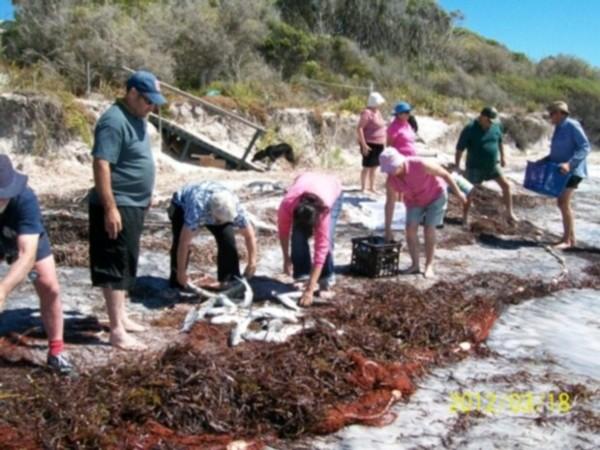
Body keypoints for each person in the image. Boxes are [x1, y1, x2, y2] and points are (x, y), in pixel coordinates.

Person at [88, 70, 166, 350]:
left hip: (134, 203)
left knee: (125, 262)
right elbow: (101, 164)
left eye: (154, 102)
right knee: (113, 264)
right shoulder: (113, 120)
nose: (152, 106)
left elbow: (136, 159)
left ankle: (120, 317)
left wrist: (146, 193)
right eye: (148, 100)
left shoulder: (136, 117)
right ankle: (117, 331)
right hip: (117, 203)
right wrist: (110, 208)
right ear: (132, 93)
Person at [0, 155, 73, 374]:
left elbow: (27, 254)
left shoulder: (25, 199)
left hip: (23, 240)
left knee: (48, 285)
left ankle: (56, 352)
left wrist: (3, 290)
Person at [380, 148, 467, 278]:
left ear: (400, 163)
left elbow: (445, 174)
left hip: (435, 195)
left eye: (393, 168)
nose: (391, 172)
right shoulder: (391, 180)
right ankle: (415, 265)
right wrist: (388, 229)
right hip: (414, 201)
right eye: (389, 170)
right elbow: (390, 204)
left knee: (429, 228)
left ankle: (429, 265)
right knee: (410, 228)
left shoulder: (419, 164)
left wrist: (458, 193)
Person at [168, 181, 257, 290]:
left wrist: (252, 262)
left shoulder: (236, 207)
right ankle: (178, 281)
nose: (218, 224)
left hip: (219, 204)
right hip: (182, 204)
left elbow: (249, 236)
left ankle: (229, 280)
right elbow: (184, 243)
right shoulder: (196, 209)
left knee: (227, 239)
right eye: (218, 221)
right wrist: (181, 272)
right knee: (179, 240)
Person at [278, 173, 342, 306]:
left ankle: (326, 279)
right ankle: (302, 275)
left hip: (331, 188)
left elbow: (321, 248)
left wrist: (310, 290)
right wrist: (286, 258)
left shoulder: (324, 210)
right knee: (298, 235)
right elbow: (283, 232)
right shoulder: (287, 205)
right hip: (305, 181)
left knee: (327, 241)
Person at [540, 101, 590, 249]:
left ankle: (567, 241)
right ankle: (570, 239)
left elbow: (585, 147)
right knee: (562, 203)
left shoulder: (572, 125)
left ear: (560, 113)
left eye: (552, 113)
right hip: (561, 171)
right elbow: (558, 151)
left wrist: (570, 164)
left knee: (563, 202)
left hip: (574, 171)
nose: (550, 117)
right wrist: (544, 160)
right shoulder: (558, 127)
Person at [455, 106, 517, 225]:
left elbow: (499, 141)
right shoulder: (470, 128)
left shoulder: (496, 125)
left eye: (493, 121)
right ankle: (465, 217)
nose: (491, 123)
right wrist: (457, 166)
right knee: (470, 191)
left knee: (506, 186)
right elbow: (459, 149)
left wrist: (503, 157)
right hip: (474, 167)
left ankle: (510, 213)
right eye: (489, 120)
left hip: (492, 166)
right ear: (482, 117)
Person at [357, 92, 386, 194]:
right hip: (369, 143)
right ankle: (363, 187)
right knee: (366, 166)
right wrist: (364, 145)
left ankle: (372, 187)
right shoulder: (367, 113)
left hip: (379, 143)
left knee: (374, 166)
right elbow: (360, 128)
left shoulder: (377, 112)